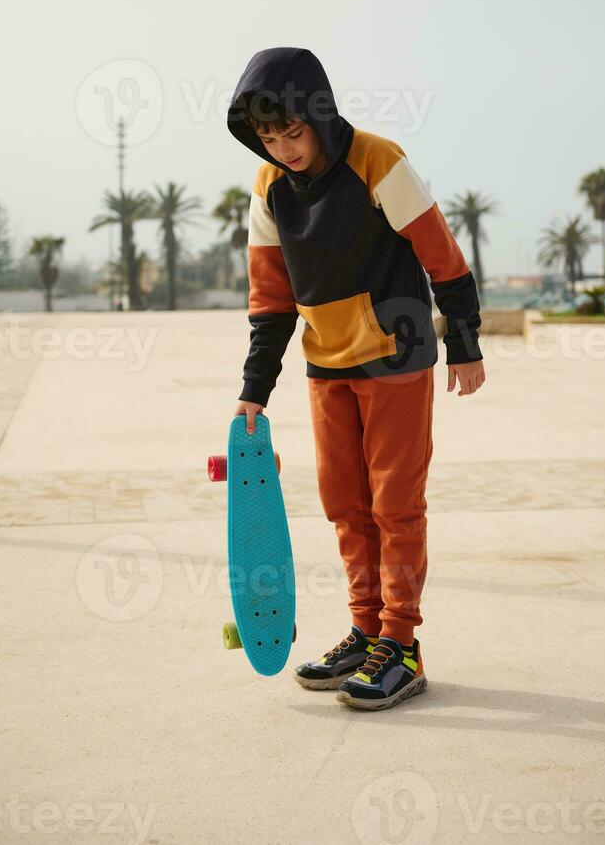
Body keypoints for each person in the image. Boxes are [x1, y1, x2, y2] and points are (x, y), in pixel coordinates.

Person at [227, 47, 485, 711]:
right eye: (269, 137)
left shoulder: (378, 160)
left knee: (394, 504)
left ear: (319, 114)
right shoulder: (268, 190)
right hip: (327, 360)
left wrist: (463, 339)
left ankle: (401, 645)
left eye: (293, 131)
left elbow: (440, 252)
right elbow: (270, 297)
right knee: (344, 501)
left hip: (396, 355)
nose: (284, 148)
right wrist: (255, 388)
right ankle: (366, 629)